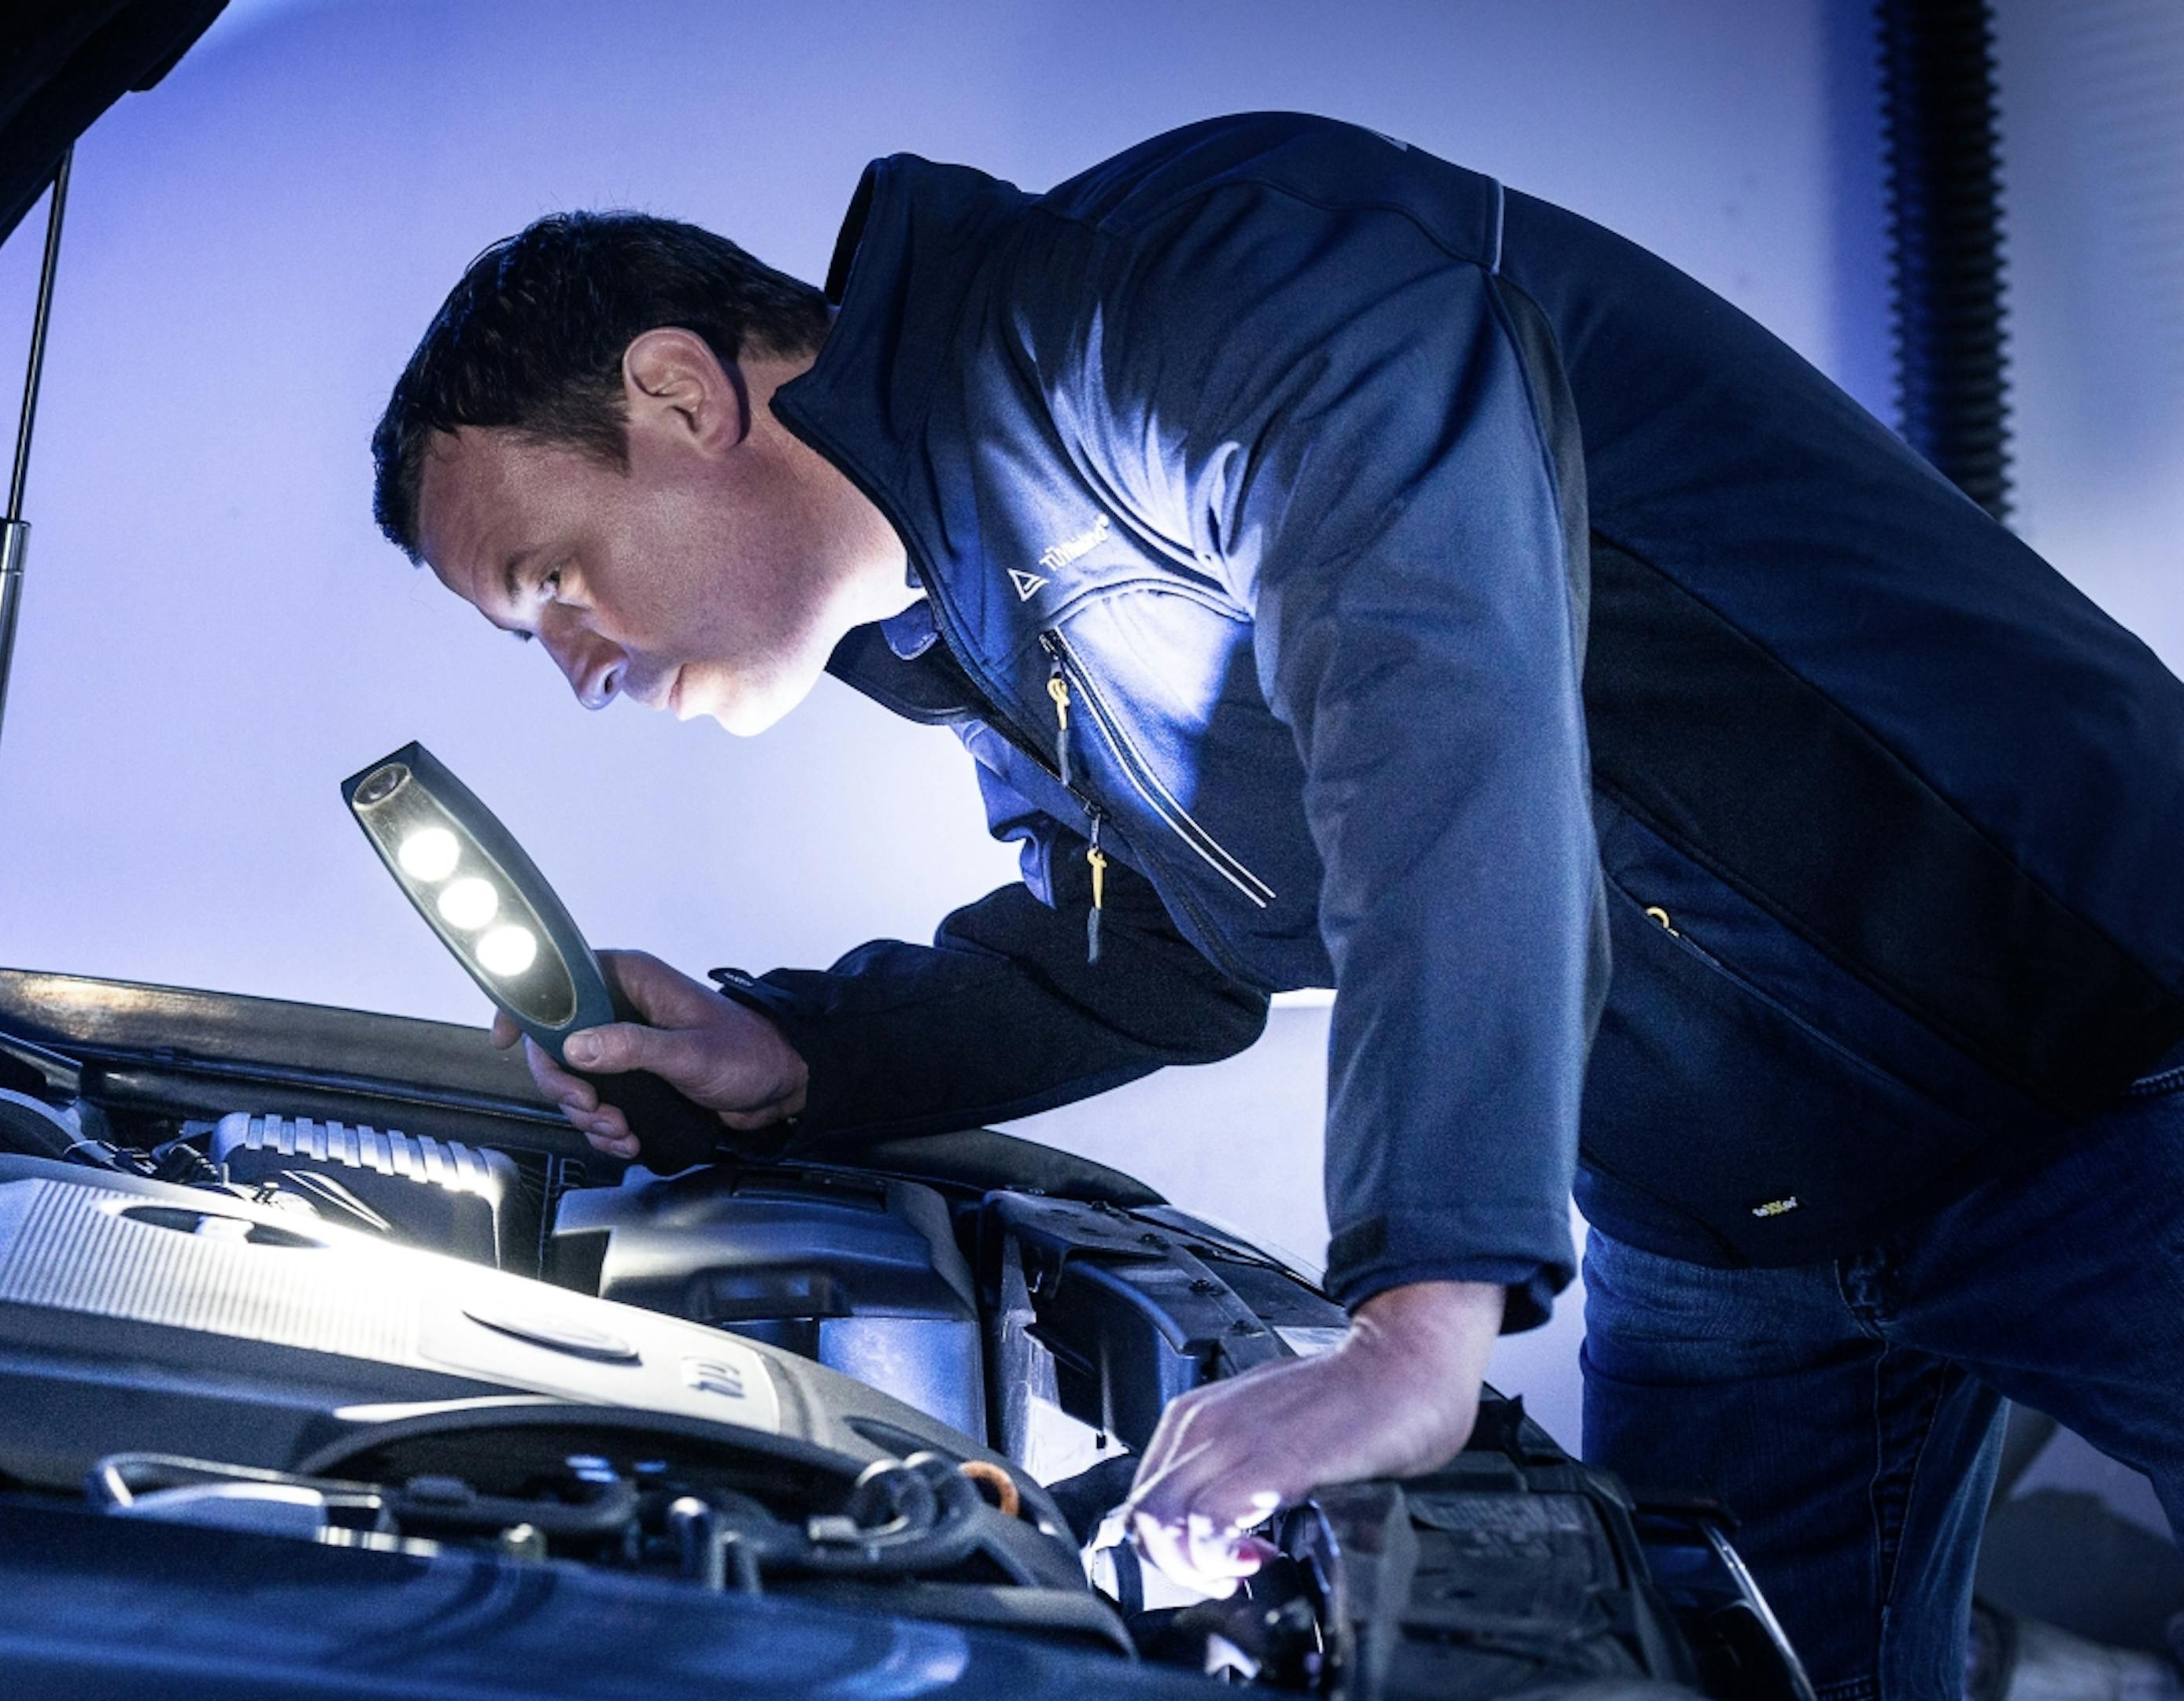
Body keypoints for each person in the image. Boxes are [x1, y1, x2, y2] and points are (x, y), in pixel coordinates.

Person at [365, 113, 2184, 1701]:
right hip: (1738, 1219)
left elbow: (1440, 694)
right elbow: (1167, 947)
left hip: (2106, 1061)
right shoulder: (978, 622)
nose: (580, 669)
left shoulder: (1200, 290)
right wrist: (797, 1054)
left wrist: (1417, 1317)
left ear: (679, 394)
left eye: (556, 584)